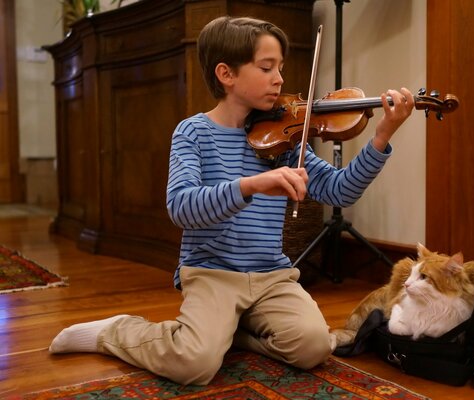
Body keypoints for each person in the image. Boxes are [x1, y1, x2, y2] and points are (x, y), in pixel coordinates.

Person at [49, 15, 414, 385]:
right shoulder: (193, 133)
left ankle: (228, 334)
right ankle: (118, 331)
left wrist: (382, 135)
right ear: (226, 74)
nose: (280, 79)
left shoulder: (285, 136)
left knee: (315, 347)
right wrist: (251, 185)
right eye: (266, 67)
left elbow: (339, 190)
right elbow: (182, 207)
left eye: (281, 68)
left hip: (271, 273)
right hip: (212, 273)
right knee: (194, 365)